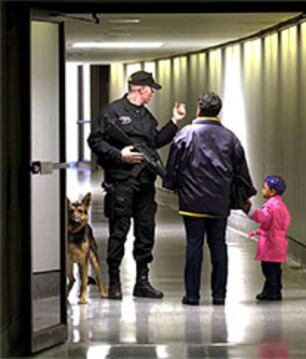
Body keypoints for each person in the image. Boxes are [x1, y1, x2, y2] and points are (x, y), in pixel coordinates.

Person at [88, 70, 186, 300]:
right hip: (121, 182)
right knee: (119, 232)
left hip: (144, 184)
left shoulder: (147, 117)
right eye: (151, 89)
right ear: (141, 89)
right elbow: (95, 140)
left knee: (145, 232)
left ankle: (142, 281)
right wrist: (118, 155)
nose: (152, 93)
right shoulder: (112, 112)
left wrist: (174, 122)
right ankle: (114, 282)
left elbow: (155, 141)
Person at [163, 91, 255, 306]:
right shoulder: (230, 137)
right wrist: (244, 196)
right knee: (219, 246)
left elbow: (173, 165)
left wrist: (172, 185)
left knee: (193, 245)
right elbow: (240, 170)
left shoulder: (185, 134)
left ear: (199, 109)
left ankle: (192, 295)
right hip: (219, 201)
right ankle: (219, 295)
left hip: (192, 201)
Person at [242, 176, 291, 301]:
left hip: (270, 242)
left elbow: (262, 217)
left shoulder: (271, 207)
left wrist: (249, 210)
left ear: (272, 192)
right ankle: (272, 290)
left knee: (267, 268)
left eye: (264, 188)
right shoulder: (282, 206)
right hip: (280, 241)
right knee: (276, 268)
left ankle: (273, 291)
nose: (262, 190)